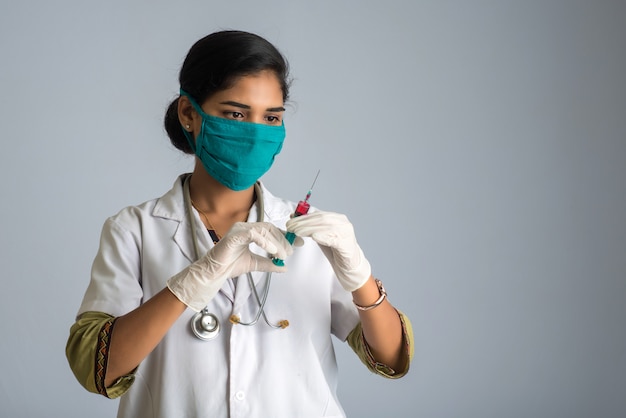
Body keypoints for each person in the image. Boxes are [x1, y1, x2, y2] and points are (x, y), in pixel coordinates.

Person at [66, 30, 413, 418]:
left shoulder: (313, 233)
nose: (254, 133)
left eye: (271, 117)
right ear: (188, 114)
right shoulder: (135, 229)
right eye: (235, 114)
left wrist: (361, 277)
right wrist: (190, 283)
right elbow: (96, 369)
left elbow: (390, 359)